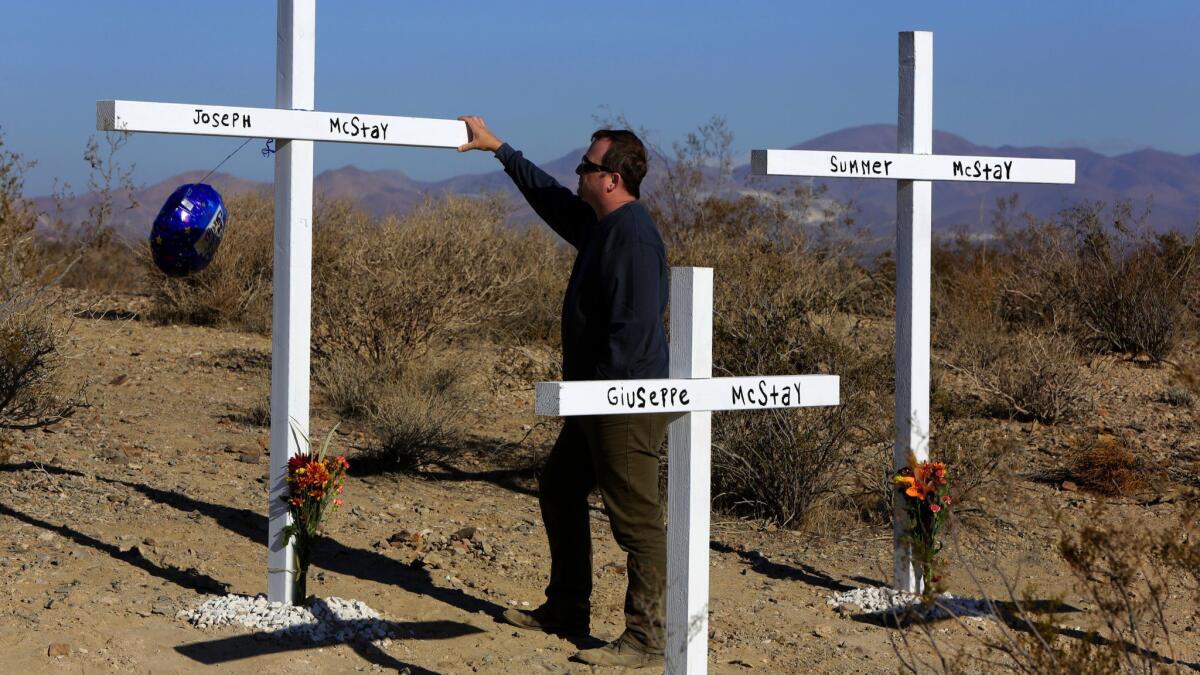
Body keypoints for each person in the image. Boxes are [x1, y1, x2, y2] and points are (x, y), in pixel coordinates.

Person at [458, 116, 670, 669]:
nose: (577, 172)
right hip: (592, 401)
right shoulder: (602, 225)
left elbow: (634, 328)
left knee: (637, 521)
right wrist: (500, 150)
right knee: (558, 487)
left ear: (613, 179)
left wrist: (603, 400)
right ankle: (567, 607)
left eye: (587, 166)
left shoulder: (634, 238)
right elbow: (551, 201)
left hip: (621, 402)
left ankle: (647, 639)